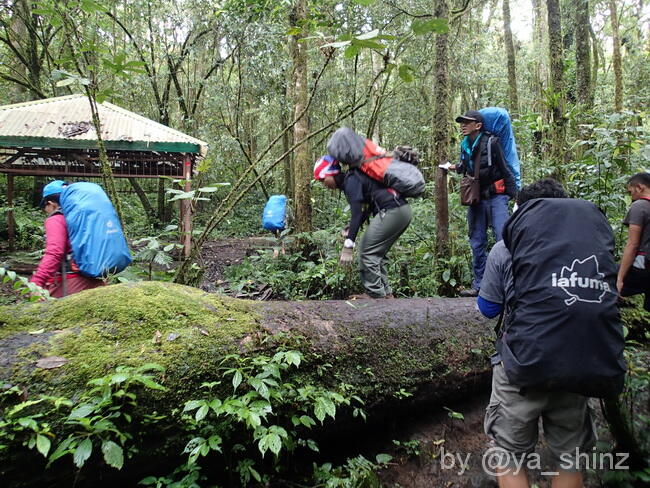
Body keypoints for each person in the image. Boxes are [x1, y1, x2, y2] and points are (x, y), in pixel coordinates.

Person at [477, 179, 601, 488]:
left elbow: (488, 308)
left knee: (509, 455)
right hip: (577, 363)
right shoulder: (589, 246)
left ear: (521, 209)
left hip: (520, 367)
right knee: (570, 457)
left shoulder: (506, 247)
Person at [314, 155, 412, 299]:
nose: (324, 184)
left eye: (323, 179)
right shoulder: (353, 179)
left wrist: (348, 247)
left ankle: (375, 294)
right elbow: (365, 210)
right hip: (402, 211)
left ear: (331, 173)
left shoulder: (351, 181)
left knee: (367, 249)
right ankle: (386, 293)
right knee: (378, 252)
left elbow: (356, 214)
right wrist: (354, 226)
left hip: (392, 212)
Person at [452, 110, 517, 297]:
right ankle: (480, 285)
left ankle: (508, 286)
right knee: (477, 241)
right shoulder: (465, 145)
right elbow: (465, 167)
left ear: (478, 125)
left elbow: (505, 169)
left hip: (497, 197)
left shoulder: (491, 142)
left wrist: (515, 195)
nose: (463, 125)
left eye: (467, 122)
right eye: (461, 122)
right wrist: (453, 167)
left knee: (503, 239)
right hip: (477, 199)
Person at [30, 180, 105, 298]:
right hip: (98, 281)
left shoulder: (57, 219)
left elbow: (55, 252)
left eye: (45, 207)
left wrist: (37, 282)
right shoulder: (87, 216)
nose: (46, 211)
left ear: (51, 203)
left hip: (72, 284)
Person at [617, 172, 650, 311]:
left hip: (645, 266)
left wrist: (620, 279)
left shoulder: (640, 205)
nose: (631, 197)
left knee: (604, 277)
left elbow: (633, 244)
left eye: (631, 192)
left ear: (640, 187)